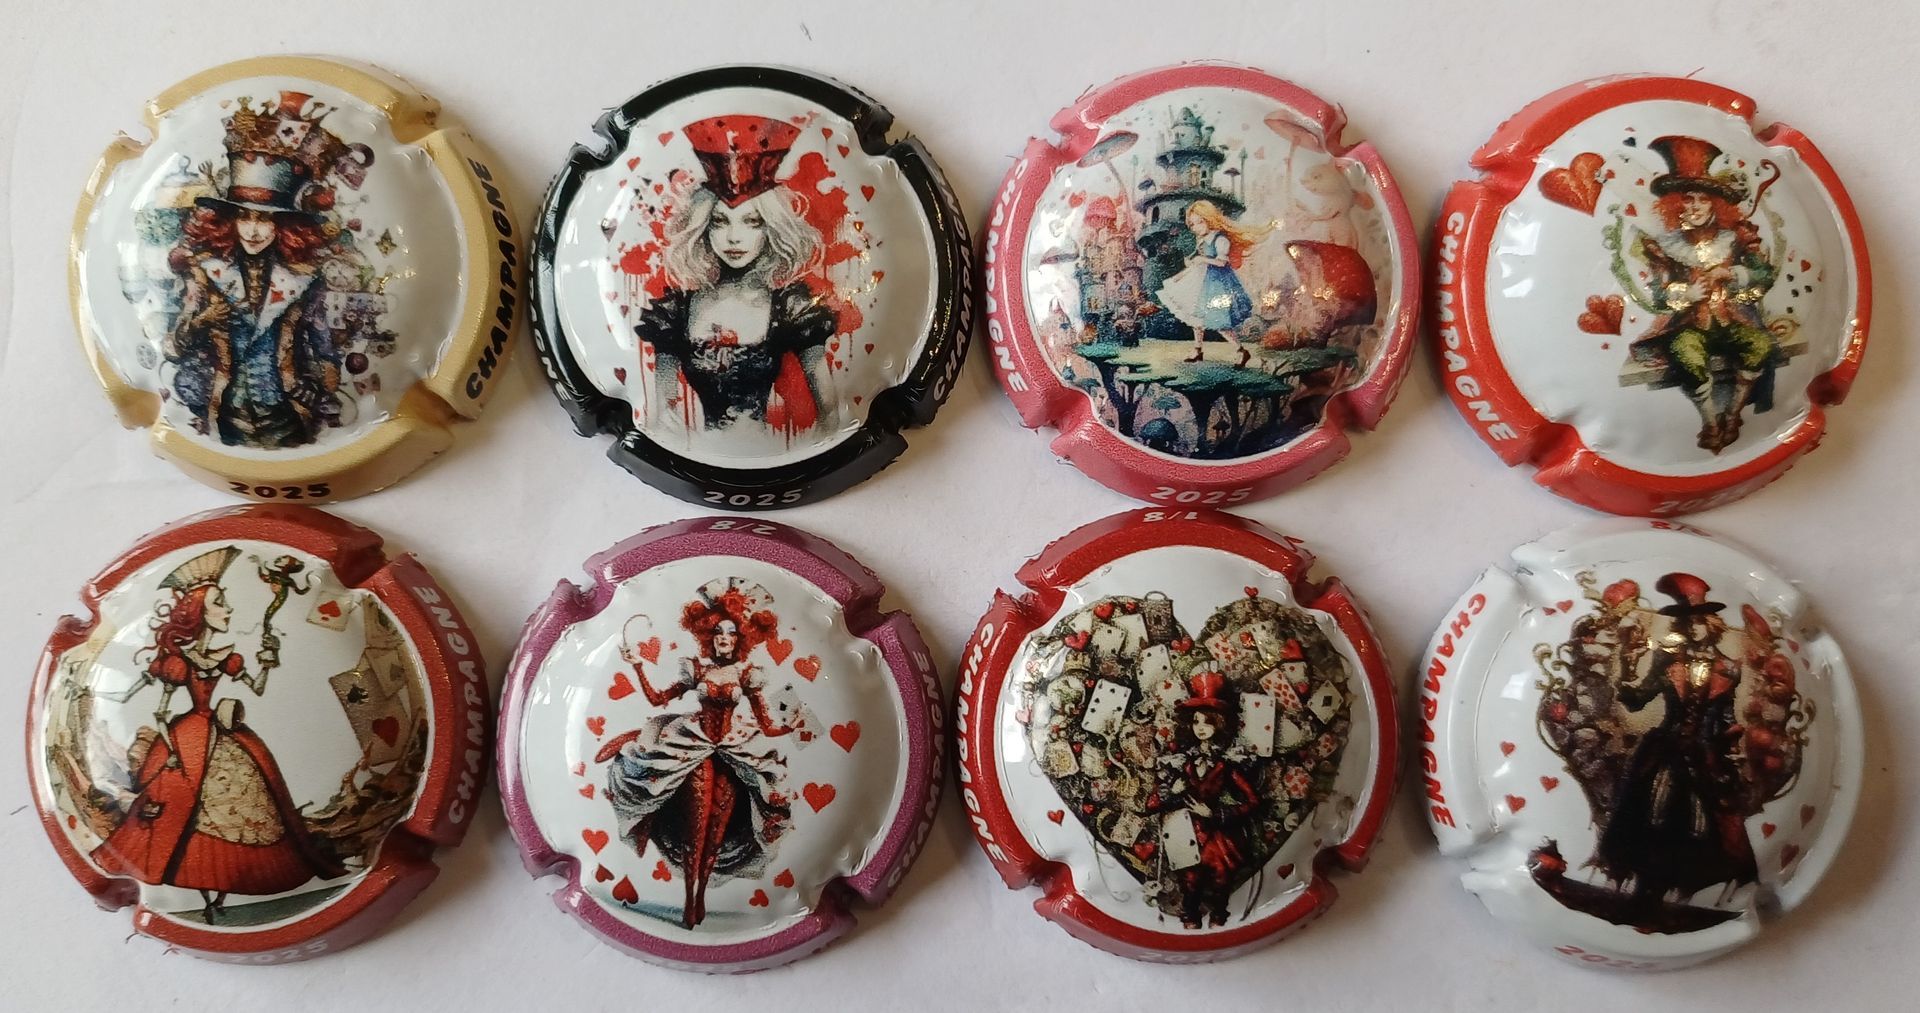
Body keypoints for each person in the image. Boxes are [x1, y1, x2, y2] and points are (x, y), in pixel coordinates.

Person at [90, 547, 345, 922]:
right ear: (199, 613)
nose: (228, 610)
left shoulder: (228, 656)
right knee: (183, 806)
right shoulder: (178, 662)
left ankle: (226, 891)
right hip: (188, 736)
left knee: (247, 802)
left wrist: (267, 662)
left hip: (223, 730)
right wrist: (172, 753)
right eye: (219, 604)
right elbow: (160, 712)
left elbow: (256, 688)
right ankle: (200, 891)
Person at [597, 581, 798, 928]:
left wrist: (792, 725)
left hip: (731, 749)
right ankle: (690, 898)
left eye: (731, 633)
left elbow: (767, 726)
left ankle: (701, 893)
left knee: (719, 830)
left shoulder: (748, 675)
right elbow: (657, 700)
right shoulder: (697, 670)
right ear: (708, 636)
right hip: (694, 744)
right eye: (718, 632)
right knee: (695, 828)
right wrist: (638, 666)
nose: (724, 638)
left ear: (741, 639)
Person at [164, 92, 358, 449]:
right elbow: (173, 348)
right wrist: (204, 319)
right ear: (229, 222)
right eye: (245, 217)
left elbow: (324, 348)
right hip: (225, 413)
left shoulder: (304, 279)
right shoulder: (205, 272)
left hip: (287, 413)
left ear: (284, 227)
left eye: (266, 220)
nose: (254, 231)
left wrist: (319, 385)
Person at [634, 116, 839, 436]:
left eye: (752, 222)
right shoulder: (674, 313)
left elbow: (830, 415)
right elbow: (662, 418)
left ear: (770, 229)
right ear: (703, 227)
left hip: (769, 450)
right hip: (700, 451)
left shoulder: (793, 309)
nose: (733, 238)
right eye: (719, 222)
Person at [1598, 573, 1757, 912]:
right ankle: (1639, 885)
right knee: (1651, 811)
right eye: (1688, 622)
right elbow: (1637, 700)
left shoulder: (1729, 669)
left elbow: (1725, 715)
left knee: (1700, 821)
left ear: (1712, 624)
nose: (1694, 627)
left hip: (1705, 752)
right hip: (1666, 746)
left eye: (1700, 620)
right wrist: (1627, 667)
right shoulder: (1669, 660)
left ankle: (1685, 889)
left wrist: (1730, 738)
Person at [1629, 135, 1779, 453]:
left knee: (1760, 345)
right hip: (1689, 325)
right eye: (1687, 199)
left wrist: (1734, 274)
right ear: (1676, 204)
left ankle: (1733, 415)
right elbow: (1658, 295)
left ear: (1715, 203)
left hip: (1734, 318)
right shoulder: (1665, 244)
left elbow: (1764, 275)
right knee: (1686, 352)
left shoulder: (1737, 236)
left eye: (1703, 199)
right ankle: (1710, 422)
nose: (1695, 207)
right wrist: (1685, 292)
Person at [1156, 671, 1260, 928]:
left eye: (1208, 721)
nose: (1200, 727)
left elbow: (1253, 802)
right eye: (1196, 721)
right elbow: (1159, 800)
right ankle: (1189, 923)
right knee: (1190, 881)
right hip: (1188, 832)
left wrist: (1215, 813)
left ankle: (1220, 920)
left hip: (1217, 838)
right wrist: (1175, 791)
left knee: (1220, 879)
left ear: (1219, 724)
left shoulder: (1227, 765)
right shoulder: (1183, 762)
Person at [1155, 199, 1269, 367]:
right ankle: (1197, 350)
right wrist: (1184, 271)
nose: (1195, 227)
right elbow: (1198, 260)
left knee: (1219, 321)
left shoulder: (1220, 240)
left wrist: (1202, 260)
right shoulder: (1203, 239)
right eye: (1192, 224)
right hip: (1201, 280)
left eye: (1199, 222)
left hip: (1217, 284)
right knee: (1196, 317)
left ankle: (1241, 350)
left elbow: (1222, 262)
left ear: (1209, 219)